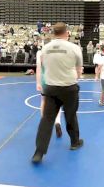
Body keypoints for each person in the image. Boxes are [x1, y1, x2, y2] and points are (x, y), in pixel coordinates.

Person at [32, 22, 83, 164]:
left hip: (51, 88)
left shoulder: (45, 49)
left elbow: (44, 67)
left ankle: (39, 152)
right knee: (71, 116)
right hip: (69, 88)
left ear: (53, 33)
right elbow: (79, 70)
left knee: (47, 120)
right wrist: (73, 77)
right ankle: (74, 142)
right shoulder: (74, 48)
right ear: (66, 33)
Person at [36, 39, 62, 139]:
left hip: (44, 79)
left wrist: (38, 82)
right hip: (55, 79)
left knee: (43, 101)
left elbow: (38, 68)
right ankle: (57, 121)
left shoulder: (40, 53)